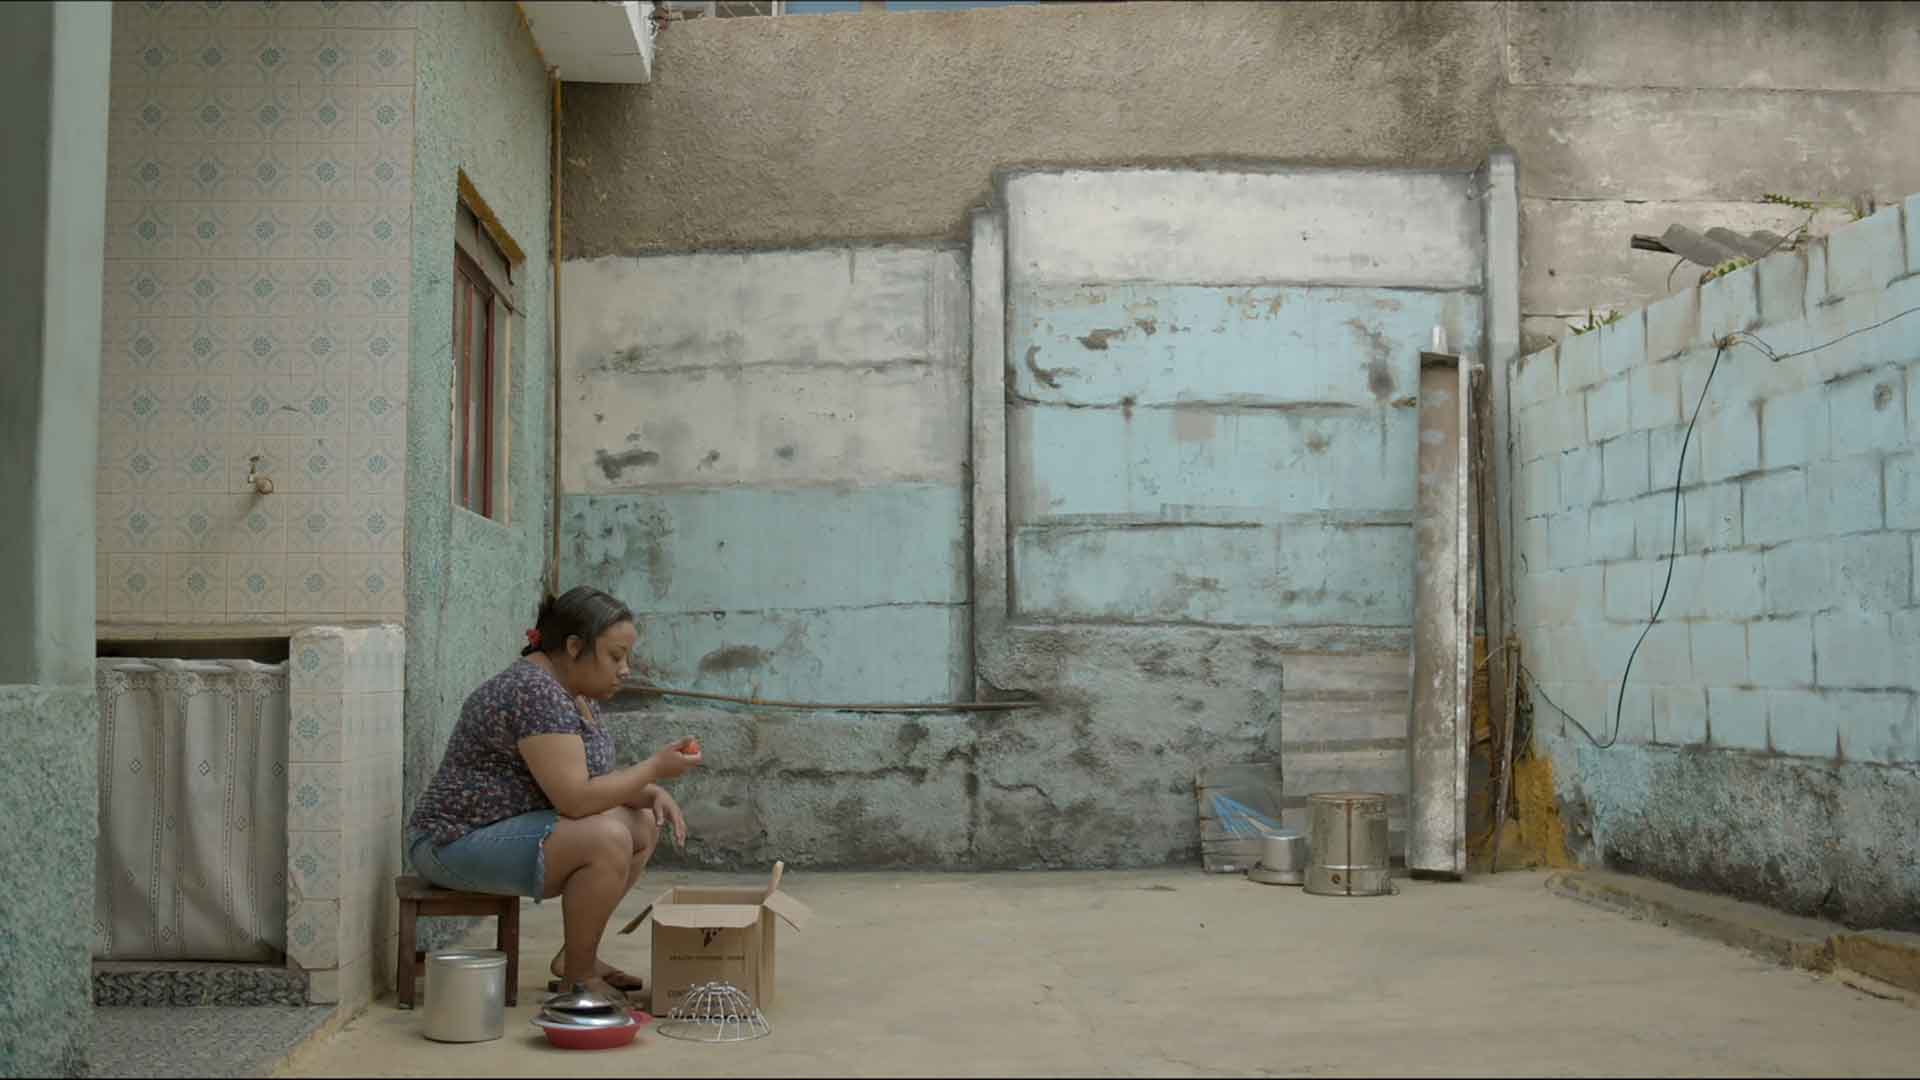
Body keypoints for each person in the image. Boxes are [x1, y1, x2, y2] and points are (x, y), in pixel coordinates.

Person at [405, 585, 702, 1003]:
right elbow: (576, 800)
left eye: (626, 658)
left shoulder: (574, 693)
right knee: (607, 838)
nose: (625, 669)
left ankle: (578, 957)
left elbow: (594, 781)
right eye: (615, 656)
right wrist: (653, 768)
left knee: (639, 823)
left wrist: (648, 792)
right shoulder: (534, 691)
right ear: (575, 646)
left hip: (505, 831)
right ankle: (578, 979)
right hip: (453, 842)